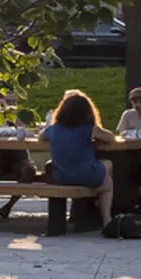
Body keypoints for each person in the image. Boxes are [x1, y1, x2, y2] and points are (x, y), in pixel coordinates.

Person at [41, 89, 115, 227]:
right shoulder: (89, 129)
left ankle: (93, 202)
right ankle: (106, 219)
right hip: (84, 174)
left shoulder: (53, 129)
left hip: (61, 176)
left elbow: (41, 136)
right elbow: (111, 137)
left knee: (103, 169)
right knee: (108, 175)